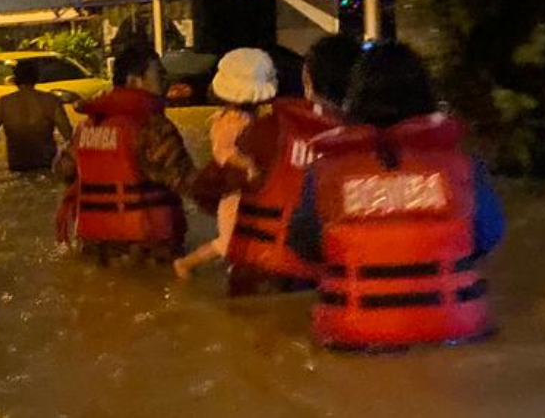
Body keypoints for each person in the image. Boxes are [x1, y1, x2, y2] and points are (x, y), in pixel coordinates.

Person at [287, 42, 505, 350]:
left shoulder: (326, 168)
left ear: (356, 96)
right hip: (455, 324)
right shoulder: (462, 163)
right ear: (426, 94)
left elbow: (304, 244)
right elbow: (489, 233)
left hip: (352, 330)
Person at [219, 35, 363, 295]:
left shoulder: (267, 130)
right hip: (333, 284)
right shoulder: (369, 145)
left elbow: (211, 186)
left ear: (307, 81)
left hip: (263, 277)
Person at [55, 44, 195, 257]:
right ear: (133, 80)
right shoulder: (152, 126)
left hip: (95, 246)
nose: (164, 78)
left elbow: (62, 170)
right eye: (158, 72)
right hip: (147, 247)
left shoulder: (86, 126)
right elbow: (185, 180)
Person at [173, 48, 278, 280]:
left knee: (242, 242)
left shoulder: (238, 119)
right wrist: (248, 165)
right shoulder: (231, 122)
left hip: (241, 193)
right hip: (234, 195)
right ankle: (186, 264)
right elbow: (224, 153)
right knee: (229, 242)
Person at [0, 59, 74, 173]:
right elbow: (69, 135)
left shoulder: (4, 103)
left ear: (15, 79)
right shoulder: (51, 101)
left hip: (18, 166)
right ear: (36, 77)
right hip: (46, 164)